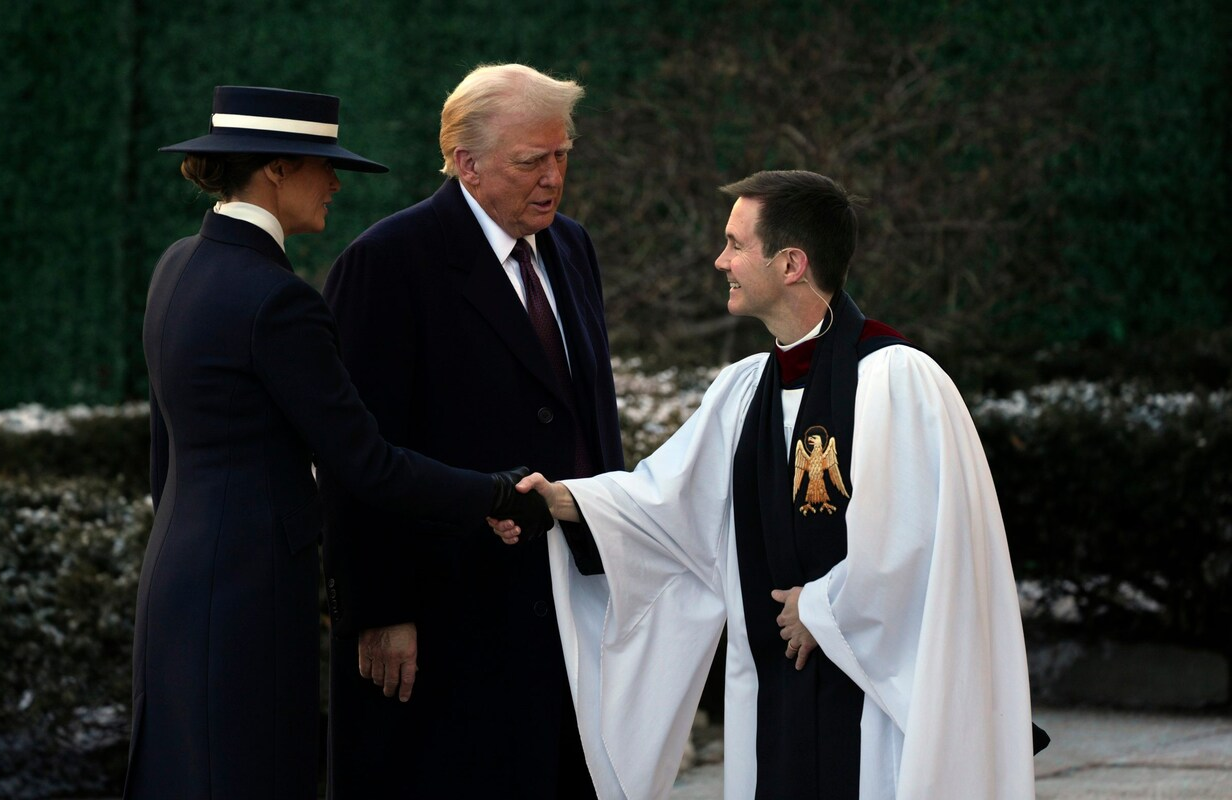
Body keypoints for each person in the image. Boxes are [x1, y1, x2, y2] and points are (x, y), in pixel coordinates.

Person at [493, 170, 1045, 798]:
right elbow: (664, 503)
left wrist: (821, 609)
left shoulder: (897, 382)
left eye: (735, 243)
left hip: (872, 711)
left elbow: (918, 548)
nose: (719, 259)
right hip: (775, 694)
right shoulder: (744, 389)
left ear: (790, 264)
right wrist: (560, 499)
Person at [127, 85, 551, 800]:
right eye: (323, 166)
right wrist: (496, 490)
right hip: (248, 595)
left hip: (174, 578)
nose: (333, 183)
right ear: (276, 171)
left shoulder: (177, 266)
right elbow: (367, 464)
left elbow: (164, 454)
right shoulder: (278, 299)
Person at [319, 64, 623, 798]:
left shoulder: (572, 246)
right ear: (467, 163)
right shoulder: (388, 263)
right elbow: (356, 456)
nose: (552, 177)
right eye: (531, 161)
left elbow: (589, 414)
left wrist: (611, 553)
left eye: (562, 156)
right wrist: (381, 610)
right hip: (447, 617)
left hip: (565, 605)